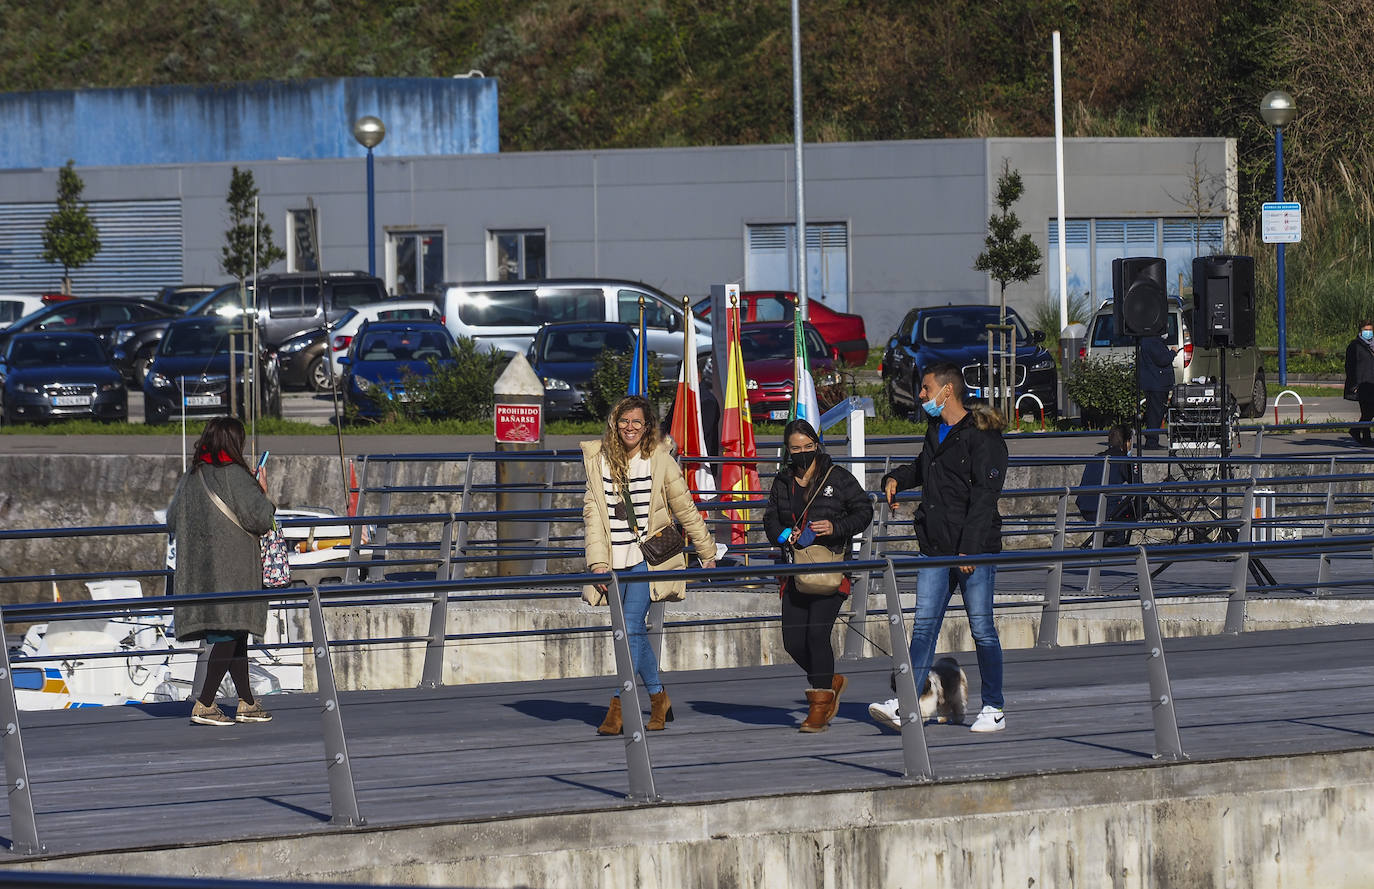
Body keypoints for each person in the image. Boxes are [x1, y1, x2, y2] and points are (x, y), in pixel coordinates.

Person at [867, 363, 1010, 733]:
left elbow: (984, 497)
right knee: (924, 627)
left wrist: (969, 549)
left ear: (948, 391)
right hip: (934, 548)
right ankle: (907, 705)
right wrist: (896, 478)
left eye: (926, 389)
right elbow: (924, 467)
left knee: (982, 628)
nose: (921, 396)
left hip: (971, 551)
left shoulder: (984, 438)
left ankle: (994, 707)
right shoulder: (935, 430)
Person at [581, 394, 717, 736]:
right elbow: (593, 515)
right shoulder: (598, 460)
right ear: (615, 423)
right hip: (613, 561)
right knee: (633, 632)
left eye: (637, 422)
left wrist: (706, 550)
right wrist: (597, 563)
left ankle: (619, 707)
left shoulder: (659, 459)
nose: (630, 428)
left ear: (647, 427)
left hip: (647, 558)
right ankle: (658, 697)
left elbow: (684, 507)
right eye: (624, 421)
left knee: (627, 630)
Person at [762, 418, 873, 733]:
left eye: (808, 447)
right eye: (795, 448)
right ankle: (829, 681)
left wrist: (835, 528)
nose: (802, 453)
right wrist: (785, 534)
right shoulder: (783, 481)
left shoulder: (837, 478)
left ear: (817, 445)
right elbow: (769, 519)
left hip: (830, 571)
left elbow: (863, 511)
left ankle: (819, 707)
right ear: (787, 450)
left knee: (816, 635)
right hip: (793, 571)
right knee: (793, 641)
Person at [166, 417, 276, 727]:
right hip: (234, 572)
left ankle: (247, 702)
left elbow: (172, 519)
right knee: (230, 634)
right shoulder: (236, 476)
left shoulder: (192, 477)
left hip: (200, 573)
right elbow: (262, 518)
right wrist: (263, 491)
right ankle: (205, 703)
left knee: (236, 634)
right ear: (233, 443)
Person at [1076, 425, 1142, 547]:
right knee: (1139, 505)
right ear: (1127, 442)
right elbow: (1139, 486)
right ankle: (1115, 537)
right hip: (1107, 510)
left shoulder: (1097, 457)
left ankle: (1108, 535)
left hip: (1086, 508)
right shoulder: (1123, 459)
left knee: (1117, 503)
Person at [1138, 331, 1177, 448]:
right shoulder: (1152, 341)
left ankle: (1152, 439)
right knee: (1155, 414)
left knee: (1154, 413)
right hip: (1157, 384)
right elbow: (1163, 359)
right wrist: (1173, 352)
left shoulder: (1148, 340)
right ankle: (1152, 441)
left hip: (1154, 383)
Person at [1345, 320, 1374, 446]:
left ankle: (1357, 431)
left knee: (1368, 412)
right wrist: (1353, 385)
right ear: (1361, 331)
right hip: (1361, 384)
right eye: (1366, 330)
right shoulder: (1355, 346)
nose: (1368, 333)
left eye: (1370, 330)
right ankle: (1364, 437)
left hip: (1371, 382)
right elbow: (1350, 367)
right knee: (1368, 411)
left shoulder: (1372, 345)